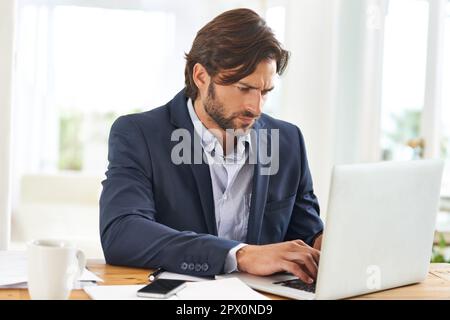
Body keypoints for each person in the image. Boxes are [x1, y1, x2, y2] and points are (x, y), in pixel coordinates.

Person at [100, 8, 323, 284]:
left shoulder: (287, 141)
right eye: (244, 88)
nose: (256, 107)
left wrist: (340, 245)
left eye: (264, 92)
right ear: (201, 76)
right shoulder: (140, 135)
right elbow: (122, 233)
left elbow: (308, 235)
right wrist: (240, 255)